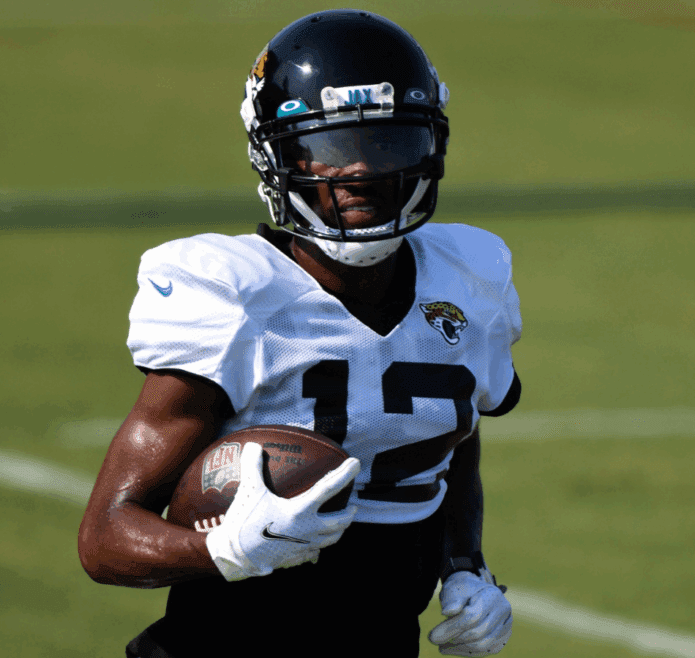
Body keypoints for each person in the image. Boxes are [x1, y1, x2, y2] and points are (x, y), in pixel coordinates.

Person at [77, 10, 521, 658]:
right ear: (275, 155)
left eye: (389, 144)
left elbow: (450, 436)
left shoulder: (468, 281)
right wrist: (220, 550)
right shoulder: (235, 296)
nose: (362, 172)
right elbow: (105, 537)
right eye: (333, 148)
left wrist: (466, 564)